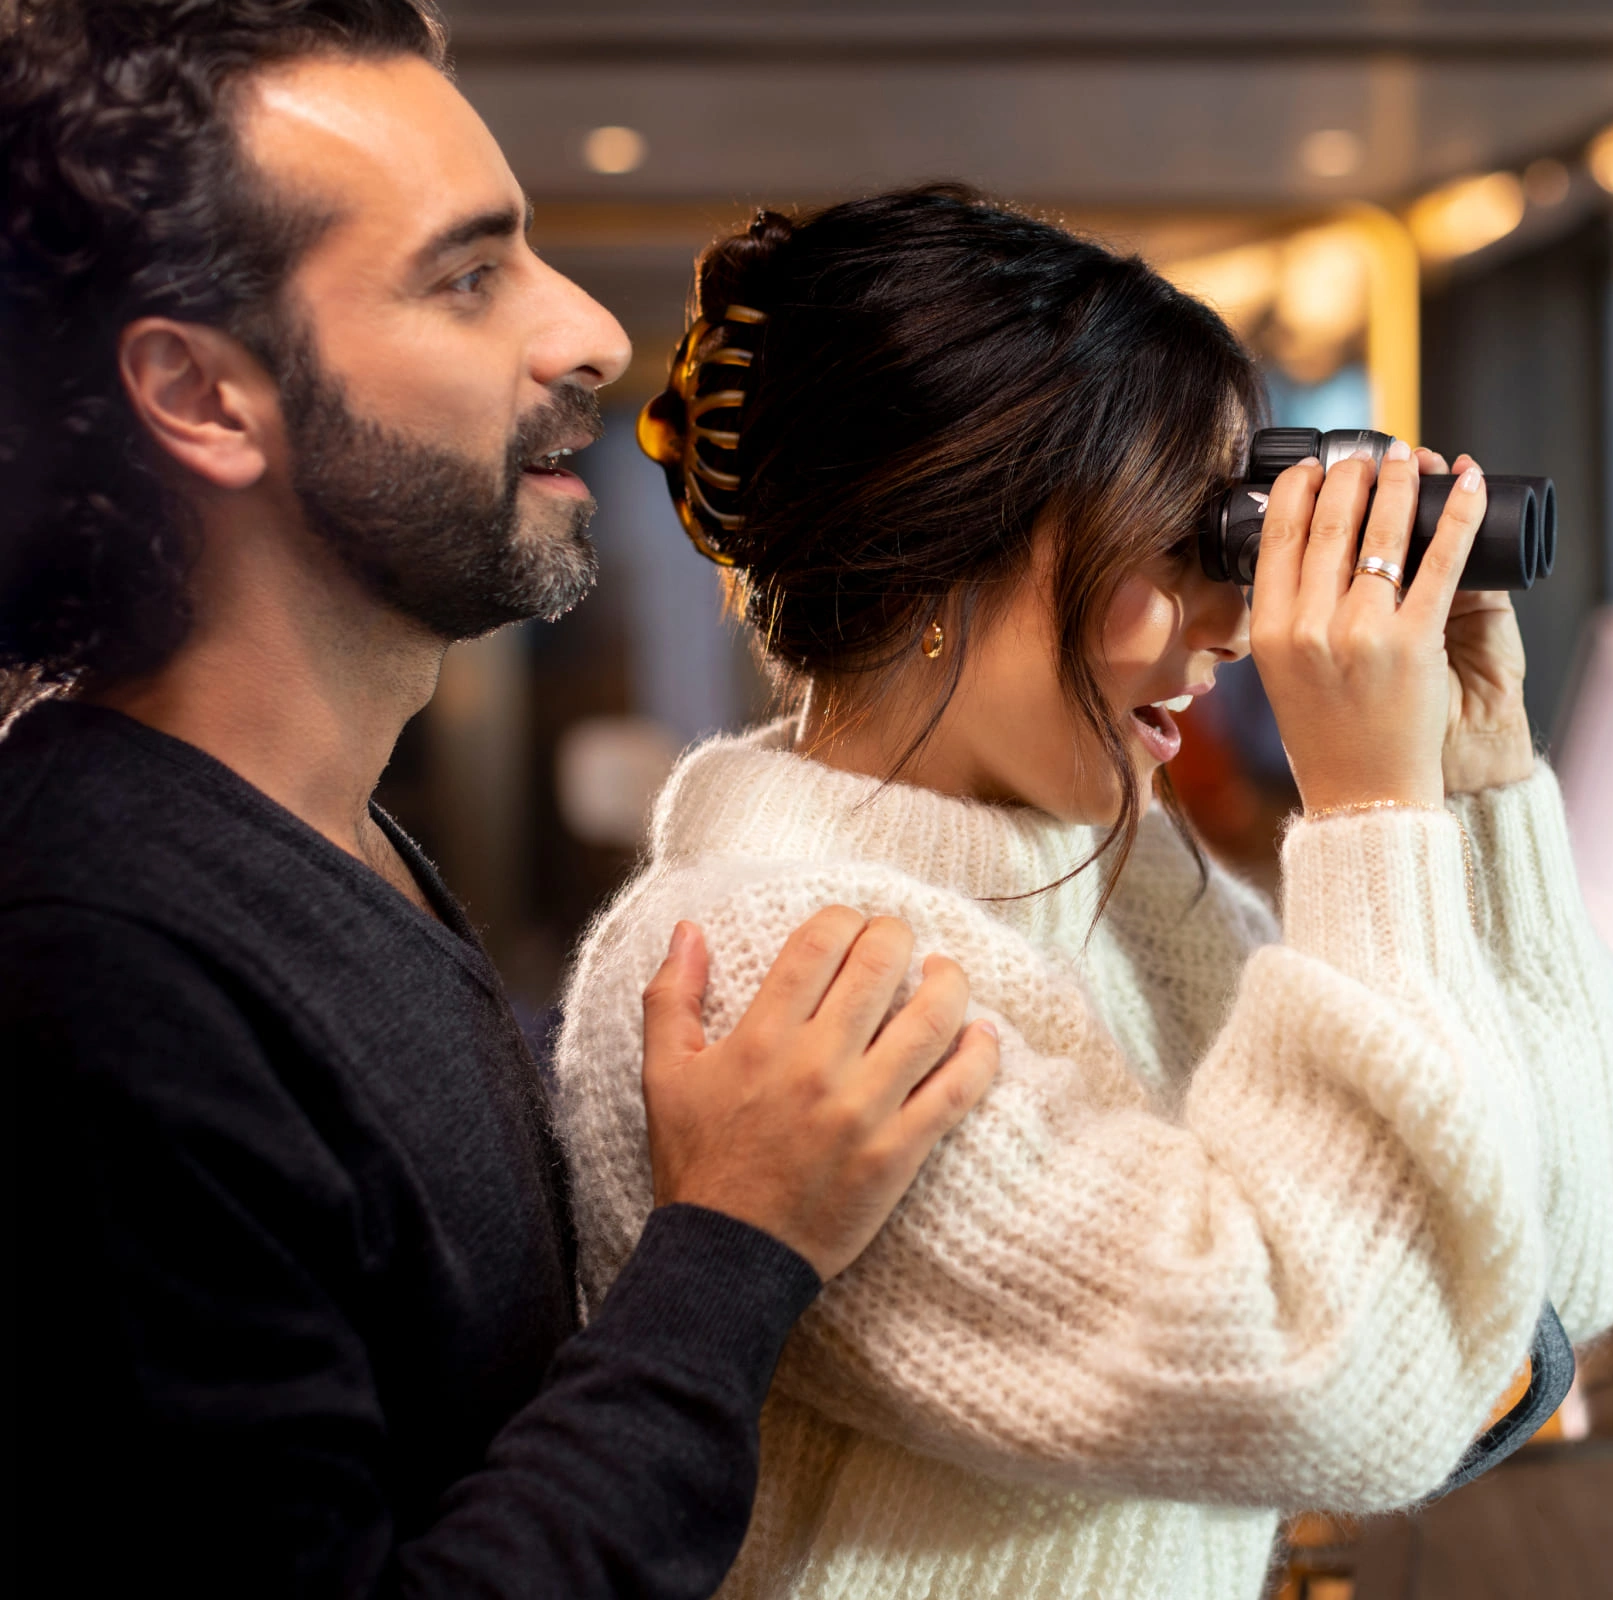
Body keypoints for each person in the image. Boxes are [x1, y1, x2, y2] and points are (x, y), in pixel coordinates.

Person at [0, 3, 996, 1592]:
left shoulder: (319, 840)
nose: (594, 331)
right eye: (467, 278)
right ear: (201, 395)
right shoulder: (97, 962)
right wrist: (736, 1248)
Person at [552, 190, 1613, 1600]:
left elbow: (1548, 1281)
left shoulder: (1119, 887)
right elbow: (1349, 1373)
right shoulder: (781, 969)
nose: (1237, 621)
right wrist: (1371, 813)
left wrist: (1474, 784)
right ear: (949, 543)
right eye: (1185, 539)